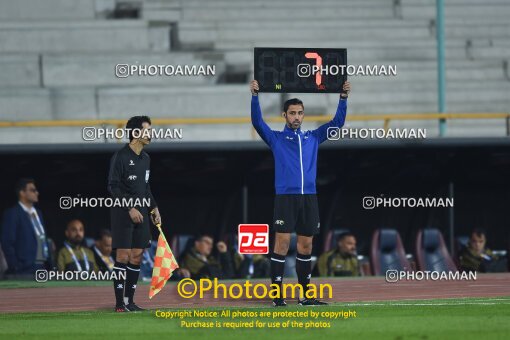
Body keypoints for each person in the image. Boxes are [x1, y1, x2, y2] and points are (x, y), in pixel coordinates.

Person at [250, 79, 351, 306]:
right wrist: (255, 97)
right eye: (292, 113)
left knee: (306, 246)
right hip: (286, 197)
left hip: (309, 197)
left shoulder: (313, 137)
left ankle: (305, 296)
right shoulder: (276, 139)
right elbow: (257, 122)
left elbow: (337, 122)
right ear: (284, 115)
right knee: (282, 244)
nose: (296, 116)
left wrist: (343, 98)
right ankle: (277, 296)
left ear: (303, 116)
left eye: (300, 113)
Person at [108, 115, 161, 312]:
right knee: (123, 256)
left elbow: (146, 188)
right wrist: (129, 208)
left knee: (137, 256)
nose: (150, 134)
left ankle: (130, 301)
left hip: (142, 212)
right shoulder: (120, 157)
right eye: (147, 130)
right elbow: (113, 187)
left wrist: (154, 208)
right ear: (136, 133)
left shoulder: (146, 159)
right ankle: (120, 304)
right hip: (123, 213)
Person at [1, 178, 50, 276]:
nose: (37, 193)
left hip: (42, 267)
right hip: (24, 269)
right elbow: (7, 243)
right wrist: (15, 266)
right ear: (22, 193)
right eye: (33, 190)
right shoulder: (13, 214)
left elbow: (41, 237)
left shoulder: (38, 213)